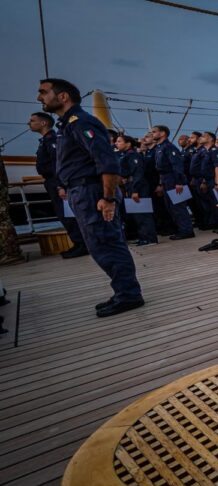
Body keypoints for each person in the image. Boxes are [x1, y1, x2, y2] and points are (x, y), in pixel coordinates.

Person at [37, 78, 144, 317]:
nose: (39, 97)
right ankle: (122, 291)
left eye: (43, 92)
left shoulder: (81, 122)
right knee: (98, 245)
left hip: (92, 192)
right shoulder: (67, 125)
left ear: (63, 96)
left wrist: (108, 198)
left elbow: (107, 161)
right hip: (81, 191)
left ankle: (129, 295)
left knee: (107, 244)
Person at [28, 111, 88, 258]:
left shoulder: (52, 140)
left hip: (56, 182)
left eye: (32, 120)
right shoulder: (46, 140)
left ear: (43, 123)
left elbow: (58, 164)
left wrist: (61, 185)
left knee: (67, 215)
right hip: (52, 182)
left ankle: (82, 244)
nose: (29, 123)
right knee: (63, 215)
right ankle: (79, 242)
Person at [152, 125, 195, 240]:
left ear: (162, 133)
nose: (152, 134)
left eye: (154, 132)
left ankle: (187, 231)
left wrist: (179, 182)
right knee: (170, 206)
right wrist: (161, 184)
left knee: (178, 206)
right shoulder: (159, 147)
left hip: (173, 179)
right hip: (166, 179)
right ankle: (181, 229)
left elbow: (177, 166)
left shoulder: (169, 147)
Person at [116, 134, 157, 246]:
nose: (116, 143)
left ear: (128, 144)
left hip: (138, 186)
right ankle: (143, 236)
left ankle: (150, 238)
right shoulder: (126, 155)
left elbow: (138, 173)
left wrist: (135, 190)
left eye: (119, 141)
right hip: (130, 185)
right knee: (137, 214)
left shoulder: (133, 155)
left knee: (143, 213)